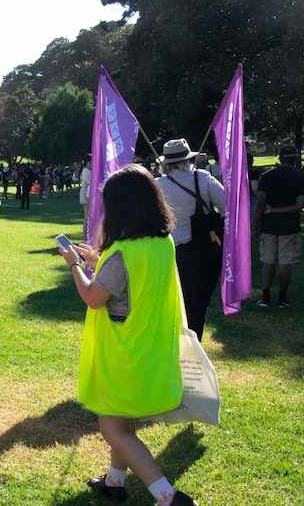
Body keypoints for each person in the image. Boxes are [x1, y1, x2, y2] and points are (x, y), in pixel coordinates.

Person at [59, 163, 199, 506]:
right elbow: (130, 281)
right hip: (149, 347)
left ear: (119, 208)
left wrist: (75, 265)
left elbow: (94, 298)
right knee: (122, 422)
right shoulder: (162, 242)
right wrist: (98, 259)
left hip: (124, 353)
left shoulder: (121, 254)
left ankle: (168, 496)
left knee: (113, 428)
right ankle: (114, 481)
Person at [156, 138, 225, 341]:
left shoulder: (158, 185)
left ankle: (174, 344)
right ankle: (194, 346)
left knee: (172, 302)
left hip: (169, 251)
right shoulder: (202, 178)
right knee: (198, 304)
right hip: (202, 250)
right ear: (187, 159)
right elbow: (227, 202)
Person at [252, 145, 304, 308]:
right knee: (286, 262)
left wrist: (254, 227)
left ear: (279, 158)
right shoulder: (300, 178)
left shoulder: (267, 176)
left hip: (269, 226)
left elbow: (260, 203)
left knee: (268, 261)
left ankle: (265, 296)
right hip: (290, 226)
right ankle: (282, 298)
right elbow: (299, 206)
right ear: (295, 159)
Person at [79, 155, 92, 241]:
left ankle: (86, 238)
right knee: (87, 218)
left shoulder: (84, 171)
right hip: (87, 195)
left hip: (85, 195)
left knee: (87, 218)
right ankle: (85, 238)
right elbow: (90, 183)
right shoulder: (87, 171)